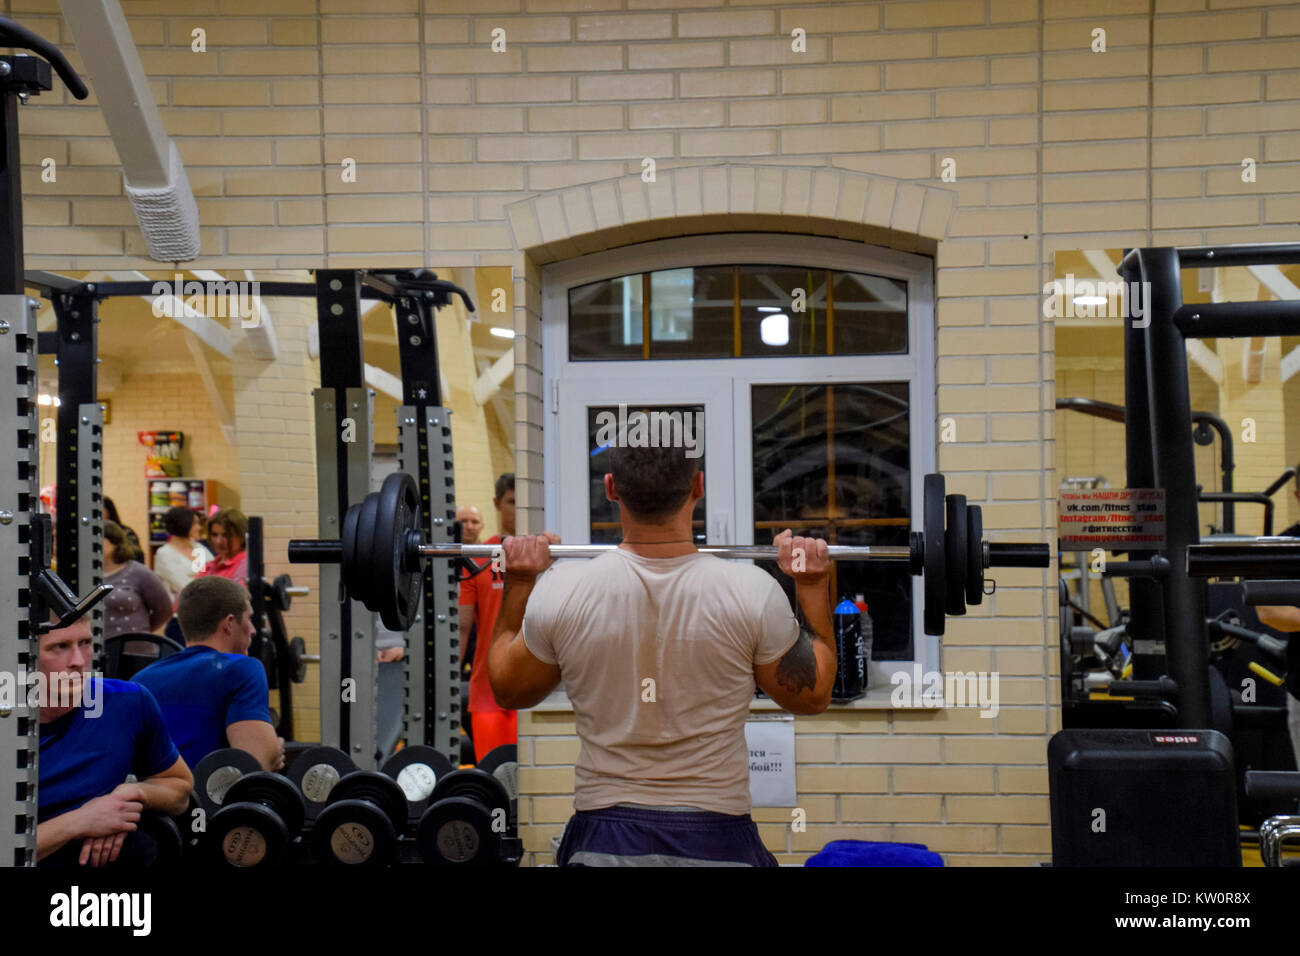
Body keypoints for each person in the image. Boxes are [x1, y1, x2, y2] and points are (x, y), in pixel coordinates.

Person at [488, 437, 836, 867]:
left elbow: (509, 690)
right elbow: (812, 696)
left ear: (612, 488)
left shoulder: (563, 589)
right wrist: (813, 586)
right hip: (716, 836)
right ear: (698, 486)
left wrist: (521, 581)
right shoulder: (752, 592)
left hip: (604, 837)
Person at [37, 614, 193, 867]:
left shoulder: (128, 701)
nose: (78, 661)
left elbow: (180, 791)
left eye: (85, 643)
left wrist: (129, 796)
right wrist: (80, 822)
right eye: (60, 647)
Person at [133, 576, 284, 772]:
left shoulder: (140, 680)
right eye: (249, 619)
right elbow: (254, 765)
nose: (254, 631)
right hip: (211, 801)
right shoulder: (242, 669)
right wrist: (273, 749)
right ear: (229, 623)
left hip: (157, 800)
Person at [460, 474, 516, 761]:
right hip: (488, 690)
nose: (518, 510)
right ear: (497, 504)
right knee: (495, 780)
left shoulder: (551, 552)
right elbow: (461, 628)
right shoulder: (479, 558)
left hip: (538, 688)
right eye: (512, 502)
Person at [102, 521, 174, 659]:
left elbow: (164, 609)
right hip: (98, 653)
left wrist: (142, 632)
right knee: (98, 681)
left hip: (136, 653)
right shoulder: (85, 574)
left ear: (114, 543)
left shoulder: (138, 572)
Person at [153, 505, 215, 602]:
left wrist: (194, 577)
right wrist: (201, 576)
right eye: (195, 524)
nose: (199, 527)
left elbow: (216, 574)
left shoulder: (198, 547)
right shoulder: (164, 554)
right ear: (183, 524)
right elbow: (185, 586)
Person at [200, 508, 249, 585]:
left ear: (242, 537)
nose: (219, 541)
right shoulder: (210, 565)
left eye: (226, 535)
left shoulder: (245, 565)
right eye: (214, 535)